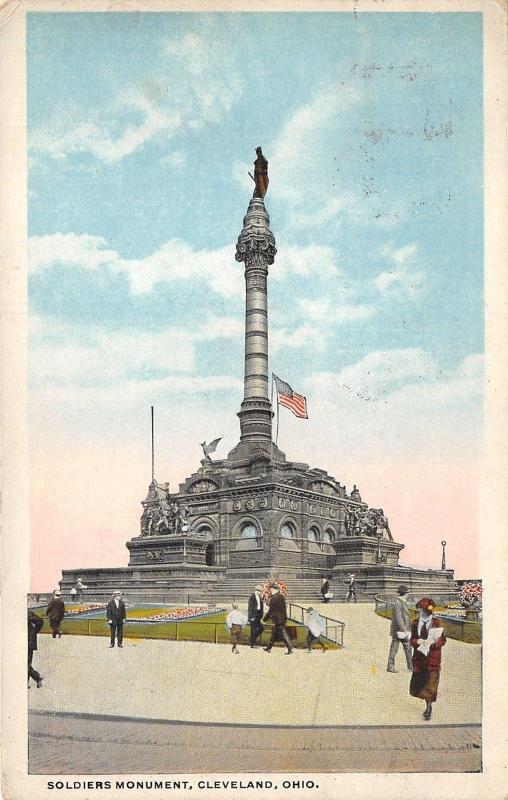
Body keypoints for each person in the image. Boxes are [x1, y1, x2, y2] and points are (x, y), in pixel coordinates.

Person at [409, 597, 446, 720]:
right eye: (421, 610)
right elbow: (412, 639)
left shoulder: (437, 623)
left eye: (424, 610)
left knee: (431, 682)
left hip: (433, 658)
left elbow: (443, 640)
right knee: (421, 682)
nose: (422, 612)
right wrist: (418, 641)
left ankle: (428, 707)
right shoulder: (415, 623)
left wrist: (433, 644)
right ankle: (427, 703)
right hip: (420, 658)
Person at [387, 584, 413, 673]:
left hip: (402, 630)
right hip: (399, 631)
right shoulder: (398, 602)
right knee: (395, 648)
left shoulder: (401, 601)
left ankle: (411, 666)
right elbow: (399, 618)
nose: (408, 594)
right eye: (407, 593)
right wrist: (404, 630)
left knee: (407, 648)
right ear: (404, 594)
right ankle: (391, 667)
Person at [263, 584, 293, 654]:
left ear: (274, 589)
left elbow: (271, 611)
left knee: (283, 634)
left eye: (271, 589)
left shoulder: (274, 598)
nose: (270, 591)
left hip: (278, 620)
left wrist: (264, 619)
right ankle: (268, 648)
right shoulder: (281, 596)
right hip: (282, 618)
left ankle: (290, 649)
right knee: (274, 634)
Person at [28, 609, 44, 688]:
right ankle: (37, 677)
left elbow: (40, 621)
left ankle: (36, 678)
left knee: (26, 663)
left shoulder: (26, 612)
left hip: (28, 641)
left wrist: (33, 632)